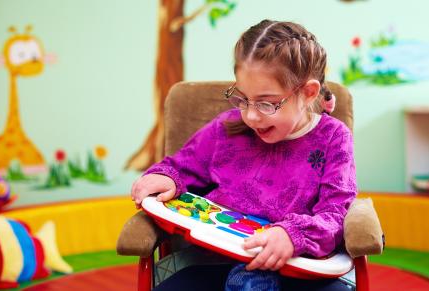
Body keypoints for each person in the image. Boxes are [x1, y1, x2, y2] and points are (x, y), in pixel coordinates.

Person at [131, 20, 356, 291]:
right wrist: (165, 178)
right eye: (242, 99)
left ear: (308, 93)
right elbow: (180, 167)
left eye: (266, 103)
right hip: (218, 258)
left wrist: (292, 235)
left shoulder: (333, 138)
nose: (250, 115)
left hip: (297, 266)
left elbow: (336, 212)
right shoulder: (226, 128)